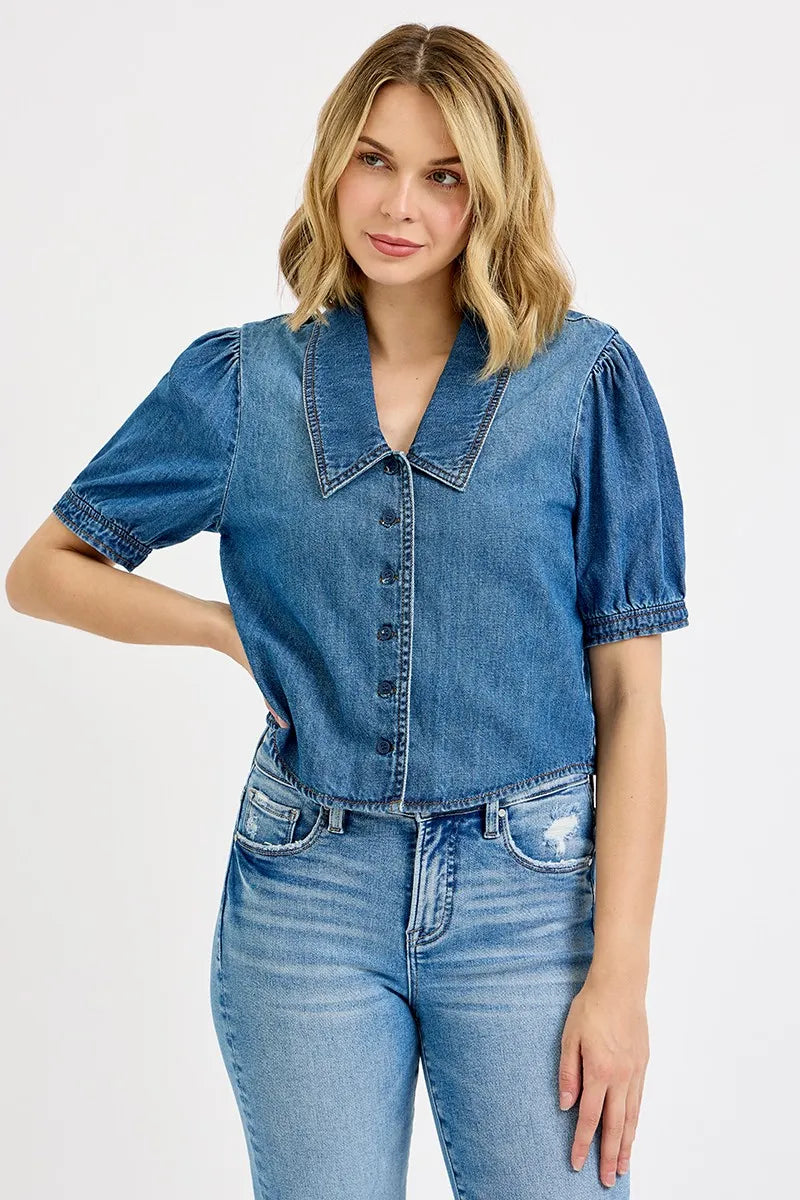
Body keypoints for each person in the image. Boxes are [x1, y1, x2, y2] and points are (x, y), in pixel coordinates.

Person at [6, 22, 689, 1200]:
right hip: (302, 893)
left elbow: (628, 698)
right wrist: (226, 631)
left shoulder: (585, 384)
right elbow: (44, 569)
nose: (398, 206)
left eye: (443, 176)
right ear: (332, 164)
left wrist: (617, 977)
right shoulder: (238, 384)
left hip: (529, 898)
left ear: (495, 194)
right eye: (373, 159)